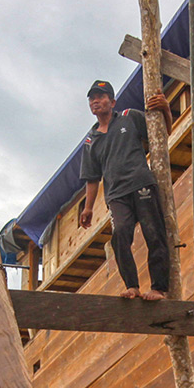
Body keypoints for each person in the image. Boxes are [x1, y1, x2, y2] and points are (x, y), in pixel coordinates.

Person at [78, 79, 175, 301]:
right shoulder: (91, 140)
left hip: (141, 183)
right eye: (92, 99)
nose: (96, 101)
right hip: (116, 195)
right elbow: (92, 178)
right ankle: (132, 286)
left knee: (154, 233)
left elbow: (161, 137)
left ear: (112, 101)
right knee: (120, 234)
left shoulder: (129, 117)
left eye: (101, 97)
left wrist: (166, 109)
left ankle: (159, 288)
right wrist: (88, 208)